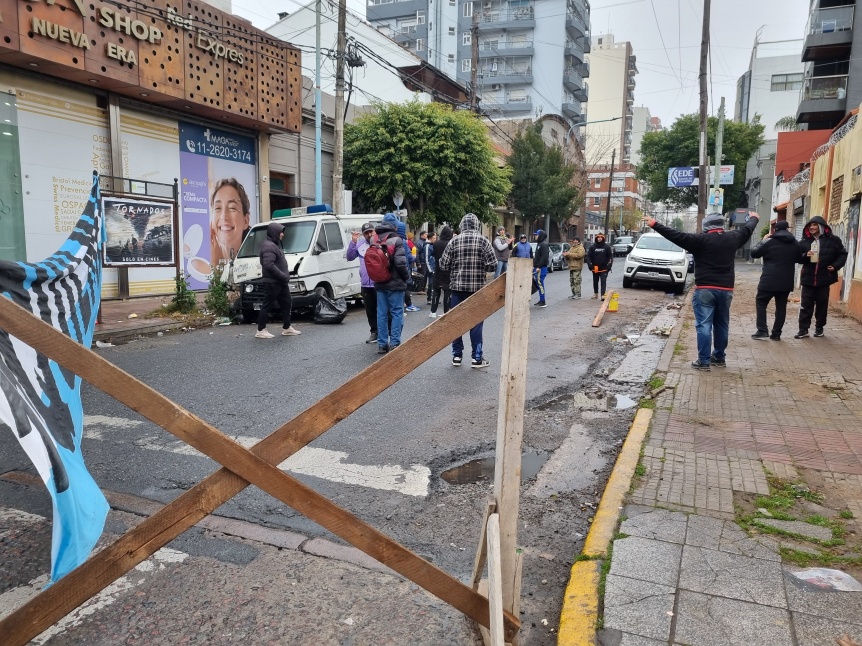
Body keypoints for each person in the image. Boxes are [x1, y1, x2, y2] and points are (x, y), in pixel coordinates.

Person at [642, 211, 759, 370]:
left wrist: (654, 224)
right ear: (721, 225)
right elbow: (748, 229)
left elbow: (675, 235)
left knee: (704, 325)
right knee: (722, 324)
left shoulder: (699, 240)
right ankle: (719, 357)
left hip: (705, 289)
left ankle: (704, 361)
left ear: (706, 226)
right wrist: (754, 218)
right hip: (726, 290)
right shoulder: (733, 237)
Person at [439, 213, 496, 367]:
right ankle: (477, 358)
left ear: (462, 225)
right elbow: (493, 265)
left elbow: (443, 265)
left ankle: (457, 356)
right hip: (477, 290)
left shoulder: (454, 241)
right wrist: (481, 266)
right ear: (477, 225)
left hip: (457, 289)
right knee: (476, 323)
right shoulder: (483, 241)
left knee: (456, 322)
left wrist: (456, 267)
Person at [795, 215, 848, 339]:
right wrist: (805, 255)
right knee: (806, 305)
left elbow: (842, 255)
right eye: (810, 225)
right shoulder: (804, 241)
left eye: (815, 225)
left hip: (824, 279)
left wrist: (835, 266)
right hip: (808, 279)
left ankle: (819, 328)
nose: (812, 227)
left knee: (822, 305)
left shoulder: (833, 240)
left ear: (821, 226)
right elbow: (796, 257)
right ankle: (803, 329)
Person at [750, 220, 801, 341]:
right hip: (786, 281)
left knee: (761, 302)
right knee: (781, 307)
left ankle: (762, 330)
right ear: (787, 229)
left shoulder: (769, 242)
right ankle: (776, 334)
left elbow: (754, 253)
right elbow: (800, 258)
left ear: (775, 229)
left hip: (768, 280)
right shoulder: (795, 243)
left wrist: (763, 240)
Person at [256, 222, 301, 339]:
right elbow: (268, 265)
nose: (282, 235)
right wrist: (283, 276)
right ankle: (261, 330)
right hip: (272, 282)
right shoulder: (269, 246)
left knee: (287, 303)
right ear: (274, 233)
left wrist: (284, 278)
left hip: (280, 282)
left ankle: (287, 328)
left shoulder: (274, 245)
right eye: (281, 232)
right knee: (267, 305)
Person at [374, 213, 409, 353]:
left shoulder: (374, 239)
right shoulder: (397, 239)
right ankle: (394, 342)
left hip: (380, 282)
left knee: (381, 314)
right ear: (395, 226)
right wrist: (406, 277)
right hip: (395, 283)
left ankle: (382, 344)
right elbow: (400, 263)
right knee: (396, 312)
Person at [346, 222, 379, 344]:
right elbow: (349, 257)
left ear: (375, 232)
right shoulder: (360, 244)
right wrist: (353, 242)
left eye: (371, 231)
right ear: (363, 234)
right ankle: (374, 332)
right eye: (366, 232)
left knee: (382, 309)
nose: (369, 234)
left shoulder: (379, 244)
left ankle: (386, 332)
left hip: (378, 283)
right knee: (370, 310)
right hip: (365, 284)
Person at [210, 178, 251, 269]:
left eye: (232, 208)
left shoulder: (256, 261)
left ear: (245, 221)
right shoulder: (202, 261)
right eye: (217, 208)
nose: (224, 216)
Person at [396, 221, 421, 312]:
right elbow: (408, 257)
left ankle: (403, 305)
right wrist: (413, 257)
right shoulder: (403, 242)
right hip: (404, 268)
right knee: (406, 287)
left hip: (394, 271)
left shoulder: (391, 240)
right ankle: (406, 306)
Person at [430, 225, 454, 317]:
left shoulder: (436, 243)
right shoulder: (450, 243)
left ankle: (433, 312)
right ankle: (446, 311)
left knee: (436, 291)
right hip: (448, 270)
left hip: (437, 269)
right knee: (447, 291)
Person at [586, 233, 613, 299]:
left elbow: (610, 257)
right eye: (598, 237)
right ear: (596, 238)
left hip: (604, 268)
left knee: (603, 281)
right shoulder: (592, 247)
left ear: (603, 238)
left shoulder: (607, 247)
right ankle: (596, 294)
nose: (599, 238)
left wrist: (610, 265)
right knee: (595, 281)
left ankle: (603, 295)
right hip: (595, 267)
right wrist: (589, 264)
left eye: (601, 237)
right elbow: (588, 256)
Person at [532, 229, 550, 307]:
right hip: (537, 267)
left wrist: (539, 266)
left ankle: (543, 301)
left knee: (540, 283)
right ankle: (541, 300)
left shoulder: (543, 245)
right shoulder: (539, 244)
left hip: (541, 268)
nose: (535, 236)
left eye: (536, 235)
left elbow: (544, 257)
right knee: (538, 283)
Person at [424, 231, 437, 305]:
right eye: (434, 238)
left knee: (434, 284)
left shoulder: (432, 245)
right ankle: (429, 298)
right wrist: (430, 270)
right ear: (431, 238)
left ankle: (434, 298)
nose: (435, 239)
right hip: (431, 268)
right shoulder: (427, 246)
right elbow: (426, 259)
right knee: (431, 284)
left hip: (434, 267)